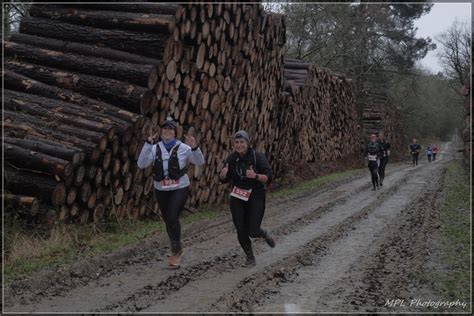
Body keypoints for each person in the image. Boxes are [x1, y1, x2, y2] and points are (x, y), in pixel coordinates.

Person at [137, 117, 205, 268]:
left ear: (175, 133)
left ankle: (175, 252)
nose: (167, 131)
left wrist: (194, 148)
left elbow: (199, 162)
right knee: (168, 220)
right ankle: (177, 247)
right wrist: (148, 144)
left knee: (173, 216)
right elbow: (141, 164)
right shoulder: (155, 148)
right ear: (161, 132)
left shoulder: (184, 148)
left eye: (170, 129)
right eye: (165, 129)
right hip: (161, 188)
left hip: (179, 187)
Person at [219, 130, 276, 267]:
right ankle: (250, 257)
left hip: (256, 194)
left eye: (242, 142)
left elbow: (269, 177)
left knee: (253, 230)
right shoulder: (232, 158)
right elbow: (225, 179)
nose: (239, 145)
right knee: (240, 229)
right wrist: (223, 175)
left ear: (247, 143)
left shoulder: (257, 157)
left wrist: (255, 176)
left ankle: (263, 233)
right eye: (236, 142)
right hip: (238, 195)